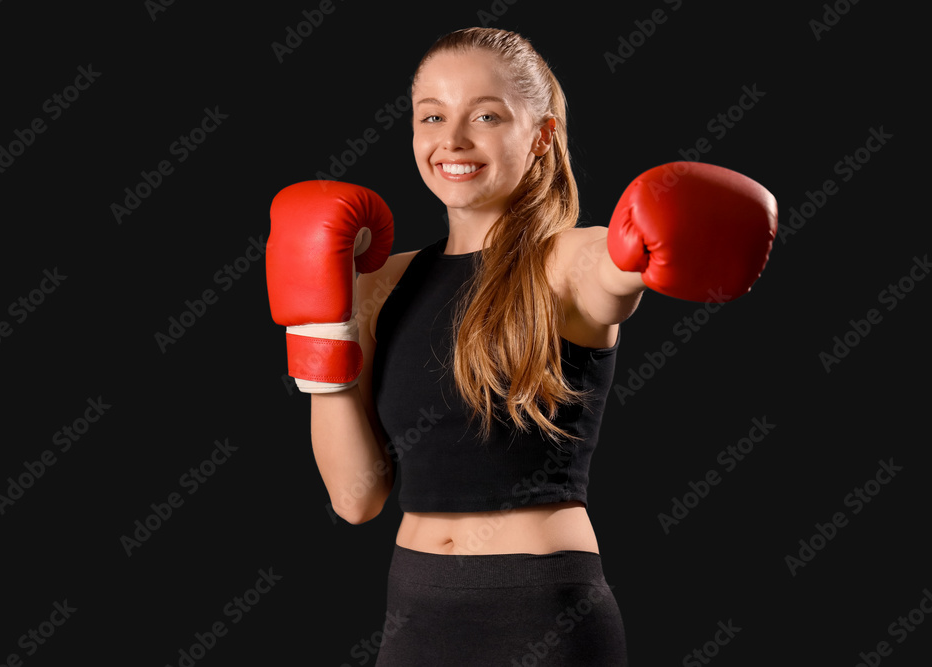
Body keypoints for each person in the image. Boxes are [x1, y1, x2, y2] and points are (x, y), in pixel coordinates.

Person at [266, 27, 777, 666]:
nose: (452, 140)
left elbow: (614, 268)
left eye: (485, 115)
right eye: (432, 116)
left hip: (540, 612)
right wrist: (321, 331)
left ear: (540, 135)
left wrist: (636, 253)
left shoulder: (566, 260)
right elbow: (355, 498)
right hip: (415, 613)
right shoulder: (378, 284)